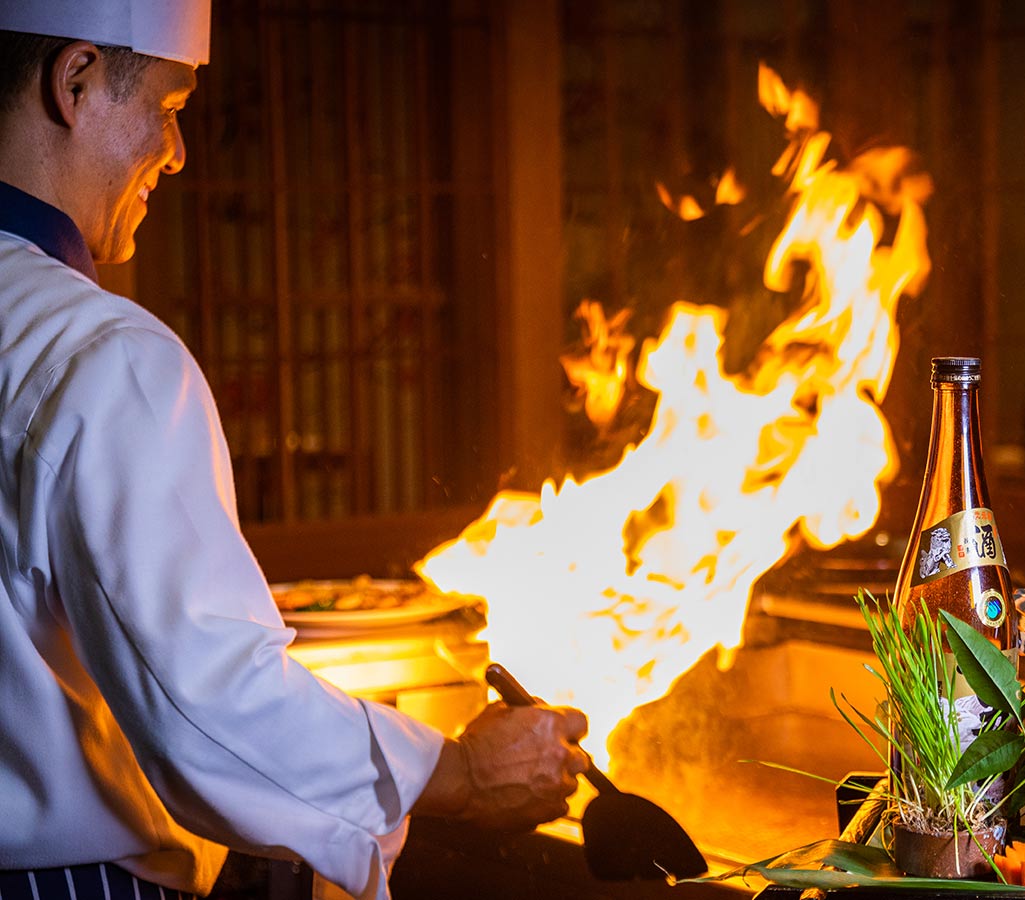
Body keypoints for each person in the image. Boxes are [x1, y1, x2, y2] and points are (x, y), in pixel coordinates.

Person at [0, 3, 591, 899]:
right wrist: (458, 775)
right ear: (75, 81)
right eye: (169, 106)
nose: (178, 152)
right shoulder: (103, 355)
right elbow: (208, 705)